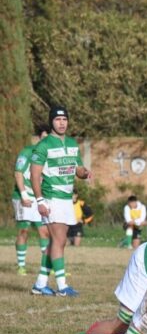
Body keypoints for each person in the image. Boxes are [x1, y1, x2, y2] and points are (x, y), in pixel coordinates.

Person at [30, 106, 91, 297]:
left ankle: (40, 284)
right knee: (60, 240)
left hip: (66, 199)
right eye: (57, 120)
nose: (62, 123)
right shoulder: (44, 145)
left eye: (64, 119)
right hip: (51, 198)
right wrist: (40, 200)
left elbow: (77, 169)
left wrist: (84, 173)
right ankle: (62, 286)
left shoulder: (72, 143)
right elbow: (34, 175)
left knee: (56, 242)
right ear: (51, 122)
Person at [12, 123, 51, 276]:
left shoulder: (50, 156)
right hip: (24, 196)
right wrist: (23, 195)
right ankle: (21, 266)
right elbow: (18, 173)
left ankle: (47, 267)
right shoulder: (27, 152)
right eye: (44, 137)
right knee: (24, 230)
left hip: (39, 197)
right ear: (39, 137)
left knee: (44, 232)